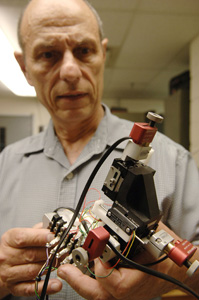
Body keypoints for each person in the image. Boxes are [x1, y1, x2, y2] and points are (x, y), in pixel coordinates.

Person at [0, 0, 199, 299]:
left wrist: (170, 275)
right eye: (48, 54)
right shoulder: (5, 165)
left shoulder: (175, 160)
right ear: (25, 67)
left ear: (102, 54)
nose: (69, 71)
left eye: (83, 51)